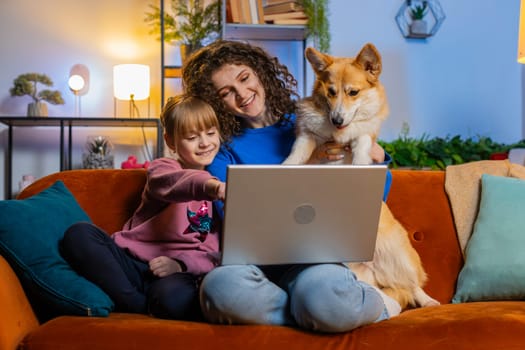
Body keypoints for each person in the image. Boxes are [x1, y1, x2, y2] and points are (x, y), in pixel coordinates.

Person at [181, 40, 400, 333]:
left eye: (245, 79)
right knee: (218, 290)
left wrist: (377, 155)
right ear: (215, 102)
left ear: (260, 73)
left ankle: (378, 304)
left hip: (317, 260)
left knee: (325, 295)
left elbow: (374, 196)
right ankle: (310, 312)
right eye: (226, 92)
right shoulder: (222, 150)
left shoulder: (314, 121)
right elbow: (231, 216)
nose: (243, 94)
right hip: (255, 267)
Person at [60, 94, 226, 320]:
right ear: (171, 142)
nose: (205, 143)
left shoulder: (215, 187)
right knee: (78, 234)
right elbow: (173, 183)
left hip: (172, 272)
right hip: (131, 263)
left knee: (175, 298)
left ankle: (140, 300)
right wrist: (211, 187)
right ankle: (136, 304)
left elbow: (210, 252)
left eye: (210, 133)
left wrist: (179, 264)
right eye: (192, 137)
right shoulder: (164, 169)